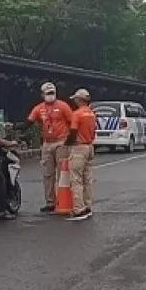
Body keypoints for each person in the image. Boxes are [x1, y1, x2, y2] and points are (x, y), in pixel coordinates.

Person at [19, 82, 73, 213]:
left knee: (63, 174)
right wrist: (18, 129)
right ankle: (50, 202)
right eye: (47, 93)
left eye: (52, 93)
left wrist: (71, 141)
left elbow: (72, 122)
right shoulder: (39, 109)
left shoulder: (63, 106)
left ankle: (63, 200)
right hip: (47, 144)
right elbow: (29, 122)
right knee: (47, 174)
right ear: (42, 94)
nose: (50, 95)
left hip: (62, 142)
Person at [64, 88, 96, 221]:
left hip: (79, 148)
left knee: (76, 179)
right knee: (87, 179)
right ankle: (88, 206)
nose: (74, 101)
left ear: (79, 100)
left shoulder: (77, 114)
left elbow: (73, 131)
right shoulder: (91, 114)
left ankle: (79, 209)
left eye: (76, 99)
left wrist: (66, 144)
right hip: (90, 146)